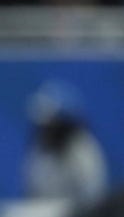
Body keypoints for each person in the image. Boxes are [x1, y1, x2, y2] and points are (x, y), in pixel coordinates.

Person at [22, 80, 108, 208]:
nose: (46, 131)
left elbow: (93, 195)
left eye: (52, 125)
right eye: (43, 127)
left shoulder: (82, 149)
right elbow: (31, 194)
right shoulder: (39, 151)